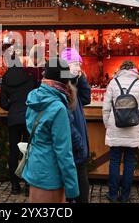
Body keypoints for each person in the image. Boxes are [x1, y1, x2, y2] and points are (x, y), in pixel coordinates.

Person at [22, 57, 79, 203]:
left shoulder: (33, 97)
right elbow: (64, 152)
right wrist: (72, 188)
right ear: (63, 81)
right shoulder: (58, 107)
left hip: (35, 167)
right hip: (50, 174)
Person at [102, 60, 139, 203]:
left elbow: (105, 109)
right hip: (134, 128)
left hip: (115, 128)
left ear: (121, 69)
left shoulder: (113, 83)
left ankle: (112, 194)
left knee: (114, 162)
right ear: (134, 70)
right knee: (130, 162)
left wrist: (108, 125)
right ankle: (125, 195)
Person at [0, 47, 42, 195]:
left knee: (13, 151)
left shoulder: (5, 78)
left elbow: (3, 103)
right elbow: (37, 96)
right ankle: (28, 185)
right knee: (28, 150)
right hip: (28, 118)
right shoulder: (29, 76)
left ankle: (14, 186)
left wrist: (12, 107)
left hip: (13, 119)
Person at [61, 47, 91, 203]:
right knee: (75, 183)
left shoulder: (75, 84)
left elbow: (87, 98)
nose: (79, 67)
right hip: (73, 146)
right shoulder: (63, 86)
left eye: (80, 64)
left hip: (78, 144)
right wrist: (79, 142)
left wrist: (81, 78)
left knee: (81, 181)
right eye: (75, 64)